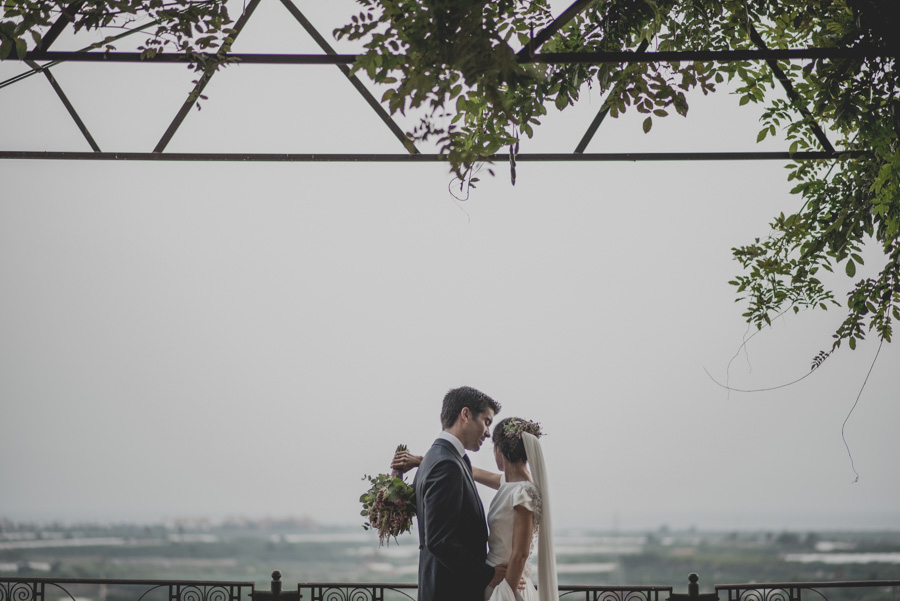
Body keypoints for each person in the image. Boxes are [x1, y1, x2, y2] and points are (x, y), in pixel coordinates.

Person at [393, 415, 557, 601]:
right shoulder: (510, 483)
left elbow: (520, 554)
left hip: (506, 585)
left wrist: (505, 592)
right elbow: (467, 470)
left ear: (498, 450)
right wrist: (424, 461)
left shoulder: (523, 492)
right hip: (492, 579)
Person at [410, 386, 507, 601]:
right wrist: (486, 575)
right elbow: (439, 540)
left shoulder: (434, 458)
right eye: (487, 421)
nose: (488, 433)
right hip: (451, 592)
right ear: (466, 414)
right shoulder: (447, 464)